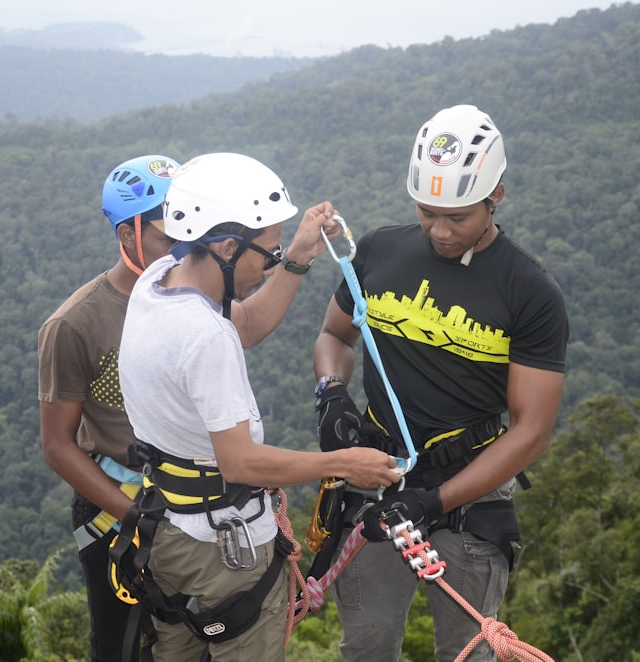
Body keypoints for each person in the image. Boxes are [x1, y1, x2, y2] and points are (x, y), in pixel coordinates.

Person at [117, 152, 401, 662]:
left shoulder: (158, 280)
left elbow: (243, 324)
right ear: (227, 246)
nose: (269, 263)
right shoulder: (203, 338)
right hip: (220, 547)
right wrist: (342, 463)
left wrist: (296, 256)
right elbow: (241, 462)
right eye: (266, 253)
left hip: (165, 529)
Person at [312, 104, 569, 662]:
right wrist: (331, 392)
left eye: (459, 216)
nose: (441, 231)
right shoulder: (381, 251)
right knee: (367, 647)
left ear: (496, 194)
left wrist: (436, 500)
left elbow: (532, 432)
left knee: (468, 651)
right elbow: (335, 336)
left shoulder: (527, 290)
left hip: (468, 491)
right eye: (428, 214)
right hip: (377, 480)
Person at [38, 154, 179, 661]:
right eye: (168, 237)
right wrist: (137, 515)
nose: (182, 250)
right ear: (128, 236)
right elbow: (58, 446)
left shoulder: (196, 297)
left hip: (192, 499)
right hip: (116, 503)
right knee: (123, 645)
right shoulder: (75, 323)